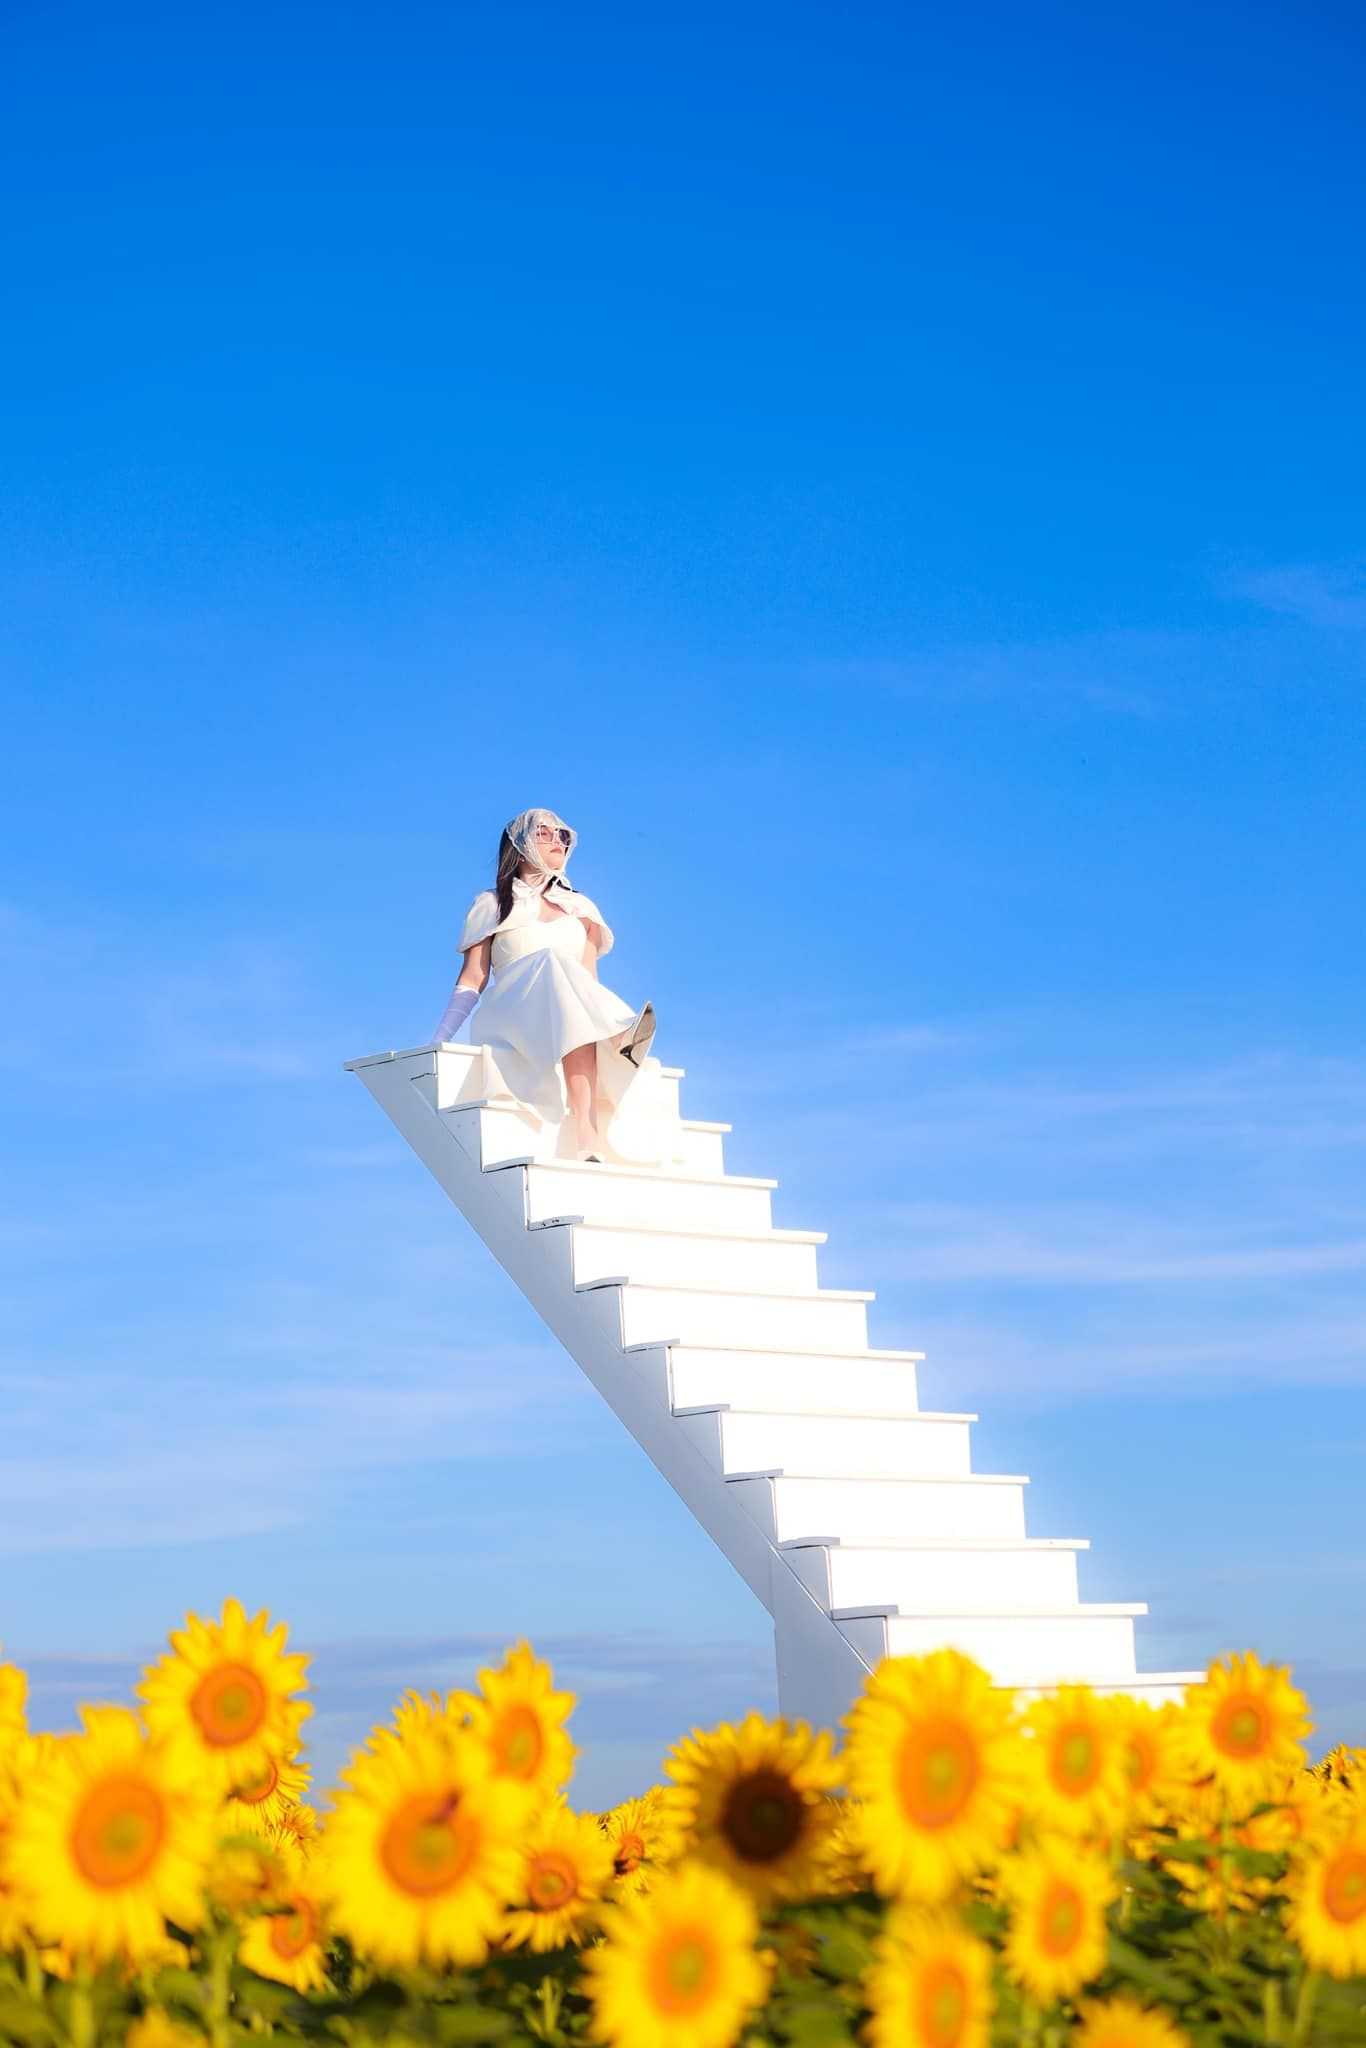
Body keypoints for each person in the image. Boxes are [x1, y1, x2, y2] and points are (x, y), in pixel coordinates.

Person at [431, 808, 662, 1163]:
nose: (557, 840)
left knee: (573, 1002)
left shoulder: (580, 909)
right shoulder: (492, 904)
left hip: (561, 1010)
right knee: (553, 964)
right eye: (545, 833)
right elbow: (473, 977)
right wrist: (441, 1038)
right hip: (509, 1013)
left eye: (562, 835)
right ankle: (618, 1036)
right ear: (520, 846)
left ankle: (588, 1138)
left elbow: (587, 983)